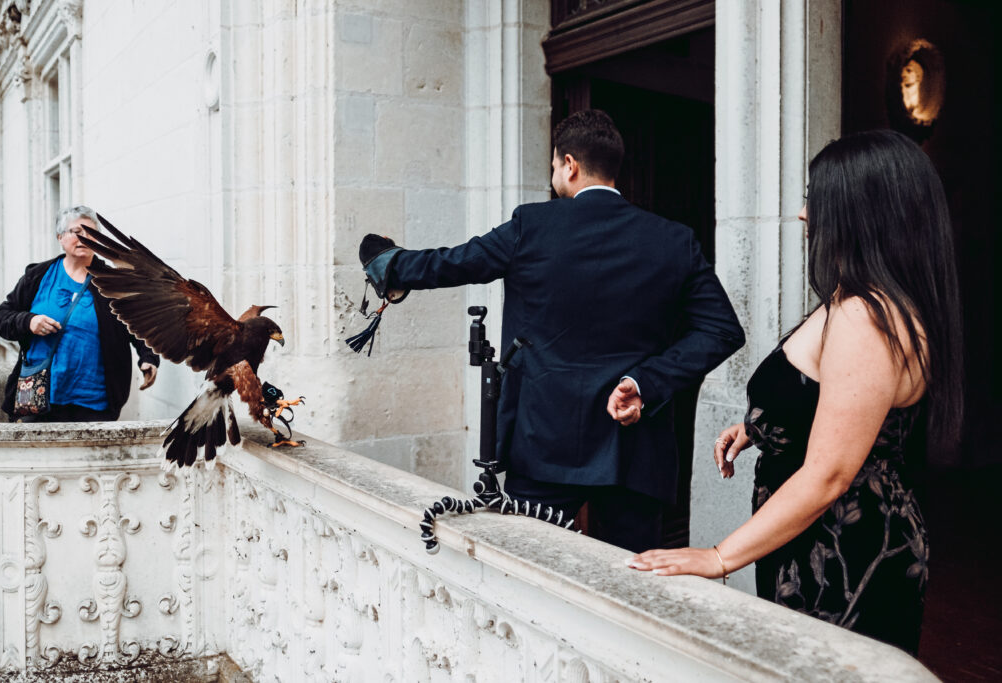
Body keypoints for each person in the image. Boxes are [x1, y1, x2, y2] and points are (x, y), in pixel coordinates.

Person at [626, 129, 963, 655]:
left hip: (843, 550)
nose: (804, 215)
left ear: (858, 208)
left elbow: (830, 472)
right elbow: (840, 409)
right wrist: (764, 425)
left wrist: (717, 557)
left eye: (814, 198)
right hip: (818, 539)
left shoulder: (865, 317)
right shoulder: (861, 301)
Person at [359, 109, 745, 552]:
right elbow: (722, 331)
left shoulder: (532, 226)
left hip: (543, 441)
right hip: (636, 451)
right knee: (636, 588)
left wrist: (388, 264)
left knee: (531, 567)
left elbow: (454, 262)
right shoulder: (675, 240)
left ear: (570, 164)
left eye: (555, 167)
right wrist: (645, 382)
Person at [0, 206, 160, 422]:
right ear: (60, 237)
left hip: (94, 400)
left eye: (92, 233)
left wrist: (149, 358)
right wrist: (29, 321)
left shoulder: (113, 282)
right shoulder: (39, 276)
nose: (85, 238)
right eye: (77, 232)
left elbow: (138, 325)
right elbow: (2, 316)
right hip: (38, 396)